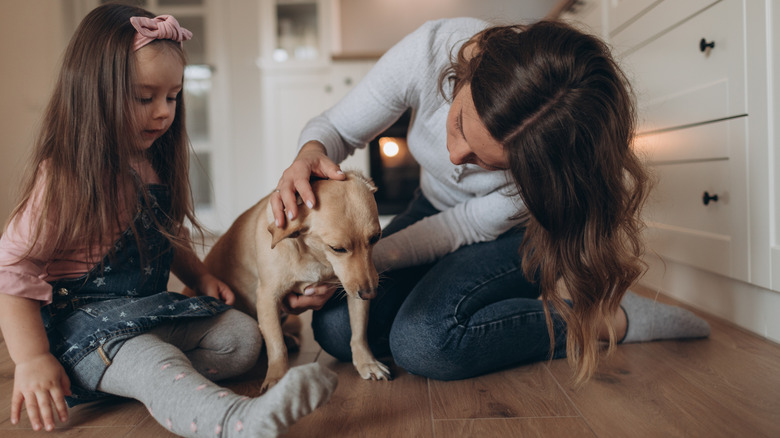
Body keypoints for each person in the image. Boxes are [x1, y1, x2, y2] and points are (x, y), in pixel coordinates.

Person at [272, 17, 711, 384]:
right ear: (467, 73)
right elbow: (339, 130)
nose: (455, 158)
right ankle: (473, 308)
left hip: (517, 236)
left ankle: (596, 319)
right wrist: (310, 155)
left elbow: (457, 230)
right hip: (432, 206)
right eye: (460, 123)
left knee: (425, 342)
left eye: (488, 162)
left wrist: (365, 265)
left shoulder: (545, 171)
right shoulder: (430, 50)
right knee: (335, 329)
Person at [0, 4, 336, 437]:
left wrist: (198, 274)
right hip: (86, 333)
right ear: (93, 93)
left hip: (145, 314)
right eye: (145, 97)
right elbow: (13, 270)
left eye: (173, 97)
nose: (163, 112)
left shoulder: (149, 164)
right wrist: (32, 360)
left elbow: (161, 232)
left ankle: (152, 379)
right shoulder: (63, 178)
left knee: (242, 338)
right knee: (152, 360)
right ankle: (237, 420)